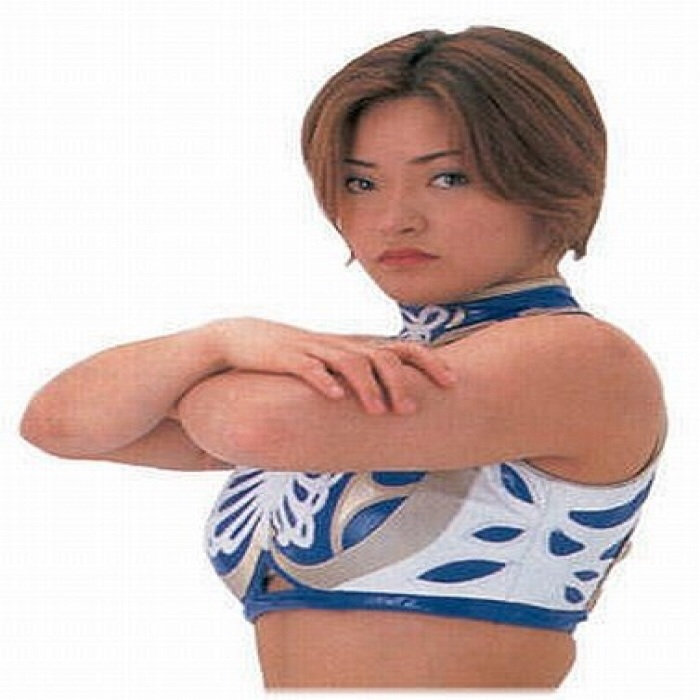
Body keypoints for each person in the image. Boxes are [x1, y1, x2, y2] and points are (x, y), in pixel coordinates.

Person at [19, 26, 667, 689]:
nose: (395, 218)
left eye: (448, 178)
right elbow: (59, 425)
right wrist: (216, 342)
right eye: (361, 183)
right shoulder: (375, 372)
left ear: (549, 177)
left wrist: (216, 367)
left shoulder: (580, 358)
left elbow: (252, 425)